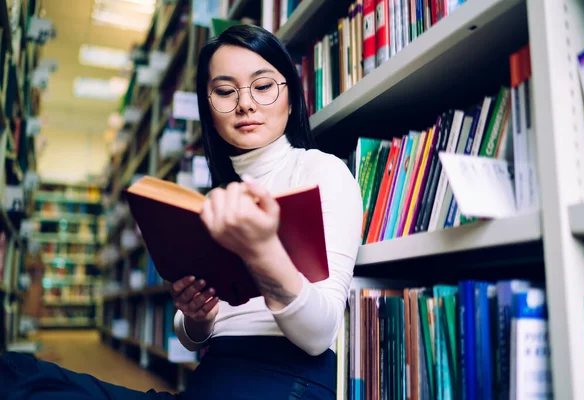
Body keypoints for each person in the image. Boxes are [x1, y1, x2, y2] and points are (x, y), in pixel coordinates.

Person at [0, 23, 363, 400]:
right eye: (224, 91)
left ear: (291, 96)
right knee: (16, 373)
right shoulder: (218, 198)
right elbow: (193, 338)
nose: (245, 103)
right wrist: (196, 317)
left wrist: (263, 253)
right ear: (208, 108)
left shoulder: (322, 172)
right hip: (212, 376)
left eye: (264, 86)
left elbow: (320, 335)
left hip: (285, 379)